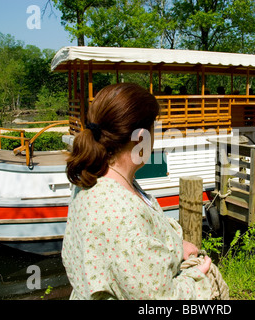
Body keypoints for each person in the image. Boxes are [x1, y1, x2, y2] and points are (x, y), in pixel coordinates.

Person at [62, 83, 213, 300]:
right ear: (141, 138)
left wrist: (176, 248)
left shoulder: (96, 177)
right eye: (155, 130)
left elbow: (130, 254)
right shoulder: (119, 213)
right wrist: (195, 276)